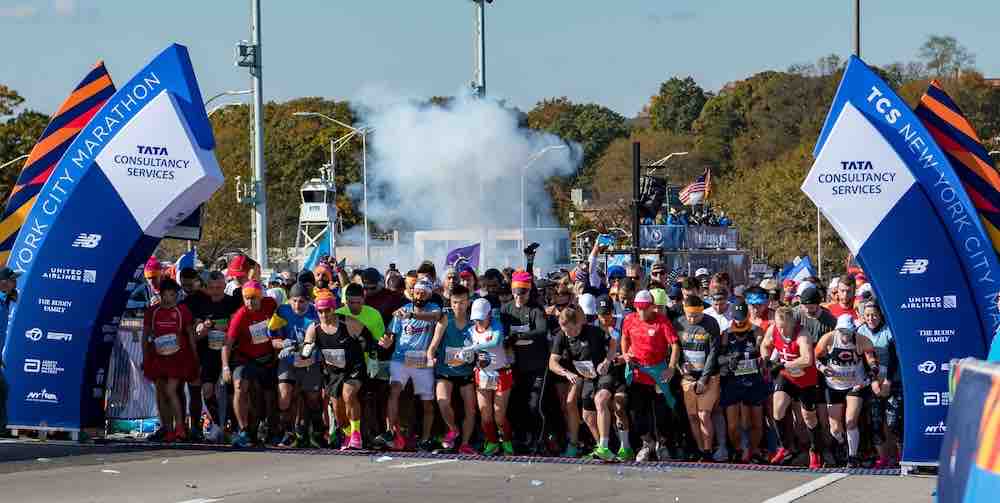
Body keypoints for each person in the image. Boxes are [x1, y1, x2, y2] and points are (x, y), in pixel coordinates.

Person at [549, 305, 618, 461]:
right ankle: (601, 448)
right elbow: (552, 363)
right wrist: (566, 372)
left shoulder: (593, 332)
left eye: (571, 330)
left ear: (578, 323)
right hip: (587, 376)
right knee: (587, 416)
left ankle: (604, 446)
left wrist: (607, 361)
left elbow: (613, 343)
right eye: (565, 331)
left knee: (600, 400)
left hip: (603, 373)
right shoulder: (562, 336)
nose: (569, 334)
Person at [620, 290, 680, 462]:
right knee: (637, 412)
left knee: (662, 413)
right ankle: (647, 443)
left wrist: (671, 367)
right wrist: (625, 354)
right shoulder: (629, 319)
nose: (641, 311)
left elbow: (675, 345)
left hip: (658, 373)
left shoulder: (662, 321)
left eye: (645, 308)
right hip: (638, 373)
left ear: (652, 306)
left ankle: (663, 445)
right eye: (638, 308)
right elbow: (624, 338)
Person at [304, 289, 368, 450]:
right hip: (333, 372)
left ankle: (356, 434)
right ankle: (347, 434)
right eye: (320, 311)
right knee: (338, 411)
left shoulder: (349, 323)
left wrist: (373, 356)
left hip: (354, 367)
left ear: (334, 309)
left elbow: (369, 339)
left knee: (348, 395)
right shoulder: (314, 328)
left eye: (327, 310)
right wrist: (305, 348)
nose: (324, 314)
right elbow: (306, 347)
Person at [381, 279, 441, 451]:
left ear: (429, 295)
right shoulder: (403, 310)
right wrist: (387, 341)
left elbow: (436, 317)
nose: (419, 296)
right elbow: (391, 334)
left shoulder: (433, 309)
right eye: (417, 292)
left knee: (427, 402)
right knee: (394, 390)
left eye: (423, 293)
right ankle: (390, 431)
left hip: (422, 361)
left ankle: (425, 438)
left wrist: (412, 316)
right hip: (400, 359)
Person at [761, 306, 824, 469]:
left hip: (805, 379)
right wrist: (767, 359)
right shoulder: (773, 329)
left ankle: (815, 450)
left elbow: (807, 359)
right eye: (779, 326)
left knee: (808, 417)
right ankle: (784, 447)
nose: (781, 330)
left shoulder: (802, 334)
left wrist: (782, 364)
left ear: (792, 323)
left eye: (784, 327)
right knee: (777, 409)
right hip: (787, 376)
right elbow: (765, 345)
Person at [183, 271, 243, 441]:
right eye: (212, 288)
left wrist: (223, 327)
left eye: (219, 287)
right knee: (207, 390)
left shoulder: (232, 302)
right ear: (207, 288)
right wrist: (203, 328)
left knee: (232, 393)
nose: (215, 291)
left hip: (229, 353)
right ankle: (217, 424)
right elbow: (196, 333)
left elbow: (237, 328)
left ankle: (233, 427)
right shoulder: (202, 304)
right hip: (209, 353)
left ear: (224, 286)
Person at [815, 314, 879, 468]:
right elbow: (815, 357)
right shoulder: (829, 338)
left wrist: (870, 375)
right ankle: (843, 444)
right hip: (833, 385)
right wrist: (822, 368)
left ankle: (852, 456)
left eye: (848, 332)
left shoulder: (862, 340)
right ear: (837, 329)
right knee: (835, 428)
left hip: (855, 385)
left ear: (853, 330)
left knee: (850, 421)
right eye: (842, 331)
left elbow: (872, 361)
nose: (845, 335)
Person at [222, 280, 279, 448]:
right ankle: (243, 430)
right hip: (246, 359)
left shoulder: (270, 304)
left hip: (268, 358)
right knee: (239, 385)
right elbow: (227, 344)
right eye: (246, 298)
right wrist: (225, 367)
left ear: (261, 297)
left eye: (253, 298)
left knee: (270, 395)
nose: (250, 302)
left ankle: (271, 429)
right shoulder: (240, 316)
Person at [143, 278, 199, 442]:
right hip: (159, 357)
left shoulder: (182, 310)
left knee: (171, 390)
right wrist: (145, 357)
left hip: (178, 357)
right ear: (161, 295)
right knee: (161, 392)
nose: (173, 298)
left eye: (175, 294)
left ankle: (180, 427)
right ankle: (168, 429)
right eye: (169, 294)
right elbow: (145, 336)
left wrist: (195, 357)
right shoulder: (152, 311)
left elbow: (191, 335)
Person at [500, 271, 549, 453]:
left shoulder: (536, 309)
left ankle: (538, 439)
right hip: (515, 365)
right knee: (516, 404)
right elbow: (501, 331)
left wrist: (518, 336)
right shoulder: (506, 309)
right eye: (515, 292)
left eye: (523, 293)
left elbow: (542, 331)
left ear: (529, 291)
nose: (519, 296)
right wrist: (507, 339)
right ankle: (520, 437)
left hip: (536, 366)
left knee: (534, 405)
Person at [268, 283, 322, 448]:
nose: (298, 305)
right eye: (294, 301)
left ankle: (317, 432)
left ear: (309, 301)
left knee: (312, 399)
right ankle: (288, 433)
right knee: (284, 396)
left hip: (310, 360)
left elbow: (324, 337)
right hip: (288, 359)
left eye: (302, 301)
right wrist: (282, 344)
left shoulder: (316, 312)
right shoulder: (282, 311)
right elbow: (273, 339)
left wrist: (310, 350)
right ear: (289, 300)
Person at [427, 285, 478, 454]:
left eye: (462, 302)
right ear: (450, 302)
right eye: (455, 302)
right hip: (445, 370)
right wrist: (430, 357)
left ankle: (465, 443)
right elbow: (433, 346)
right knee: (442, 401)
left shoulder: (474, 322)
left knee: (471, 410)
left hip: (466, 373)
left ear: (468, 302)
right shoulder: (445, 320)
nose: (458, 306)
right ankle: (453, 429)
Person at [459, 298, 513, 455]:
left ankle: (507, 440)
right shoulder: (471, 330)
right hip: (482, 374)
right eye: (476, 319)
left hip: (501, 374)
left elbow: (495, 341)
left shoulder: (496, 325)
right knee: (485, 415)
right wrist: (464, 354)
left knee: (499, 416)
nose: (479, 322)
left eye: (481, 318)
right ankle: (492, 441)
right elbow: (466, 349)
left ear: (489, 315)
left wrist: (473, 347)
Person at [719, 301, 767, 464]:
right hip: (733, 382)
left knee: (756, 422)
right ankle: (738, 449)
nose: (739, 322)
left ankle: (754, 450)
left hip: (753, 381)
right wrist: (728, 360)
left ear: (747, 315)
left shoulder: (757, 331)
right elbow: (719, 358)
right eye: (736, 319)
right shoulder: (726, 334)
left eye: (742, 318)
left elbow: (764, 353)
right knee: (733, 425)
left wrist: (761, 358)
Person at [675, 295, 722, 462]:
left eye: (696, 316)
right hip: (688, 377)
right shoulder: (679, 323)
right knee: (693, 416)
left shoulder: (711, 324)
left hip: (708, 376)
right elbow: (675, 349)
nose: (692, 319)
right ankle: (701, 449)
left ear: (702, 311)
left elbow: (713, 353)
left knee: (704, 415)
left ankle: (708, 451)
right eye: (689, 316)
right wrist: (680, 365)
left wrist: (704, 379)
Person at [857, 302, 901, 469]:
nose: (871, 318)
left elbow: (894, 358)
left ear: (881, 315)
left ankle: (900, 455)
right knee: (875, 422)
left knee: (893, 422)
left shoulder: (889, 330)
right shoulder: (861, 331)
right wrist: (874, 381)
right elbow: (863, 360)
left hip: (892, 380)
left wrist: (888, 381)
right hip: (872, 380)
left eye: (874, 315)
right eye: (867, 315)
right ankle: (882, 458)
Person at [595, 295, 632, 460]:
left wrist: (622, 358)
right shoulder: (594, 326)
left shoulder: (624, 323)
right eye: (601, 314)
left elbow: (635, 347)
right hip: (606, 373)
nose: (605, 318)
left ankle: (626, 447)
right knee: (600, 402)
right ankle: (602, 446)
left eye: (608, 313)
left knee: (619, 407)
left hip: (623, 370)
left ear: (613, 311)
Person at [0, 267, 18, 435]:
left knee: (3, 388)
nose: (15, 283)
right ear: (3, 282)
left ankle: (2, 428)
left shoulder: (5, 301)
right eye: (13, 280)